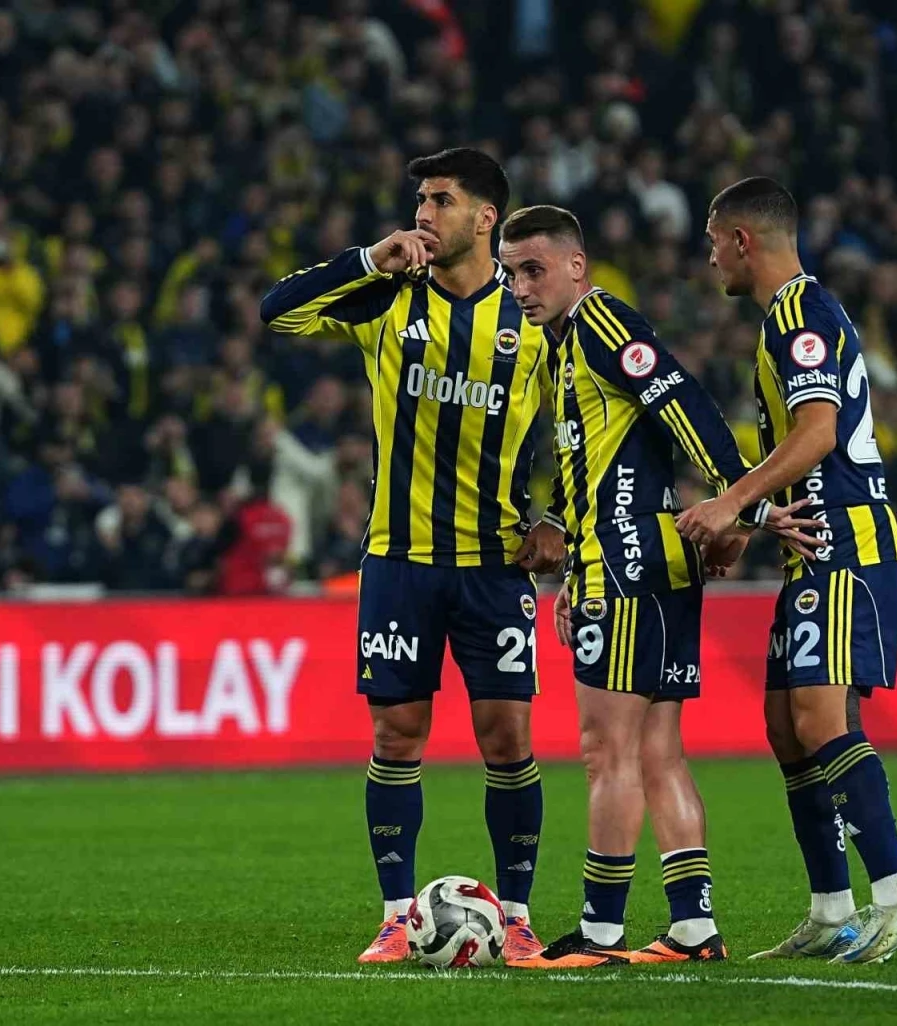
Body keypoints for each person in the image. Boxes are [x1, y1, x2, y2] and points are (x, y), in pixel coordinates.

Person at [260, 149, 566, 964]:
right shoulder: (390, 296)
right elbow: (277, 313)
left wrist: (560, 520)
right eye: (421, 199)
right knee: (397, 735)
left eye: (441, 199)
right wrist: (369, 259)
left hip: (495, 562)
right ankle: (398, 915)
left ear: (486, 218)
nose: (424, 213)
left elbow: (582, 426)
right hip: (399, 558)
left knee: (507, 738)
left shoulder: (532, 317)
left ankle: (519, 917)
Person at [497, 204, 820, 969]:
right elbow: (595, 464)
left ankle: (600, 934)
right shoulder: (562, 348)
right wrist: (569, 546)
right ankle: (693, 927)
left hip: (627, 566)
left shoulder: (603, 324)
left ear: (577, 266)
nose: (520, 288)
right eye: (510, 275)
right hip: (650, 564)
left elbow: (684, 403)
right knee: (656, 751)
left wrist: (742, 503)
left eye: (534, 270)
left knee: (604, 751)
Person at [677, 177, 897, 965]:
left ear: (743, 240)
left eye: (714, 241)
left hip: (847, 546)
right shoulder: (788, 318)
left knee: (824, 721)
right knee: (787, 728)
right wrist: (753, 522)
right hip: (812, 548)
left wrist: (731, 502)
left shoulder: (800, 315)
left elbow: (819, 432)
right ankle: (832, 911)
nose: (710, 257)